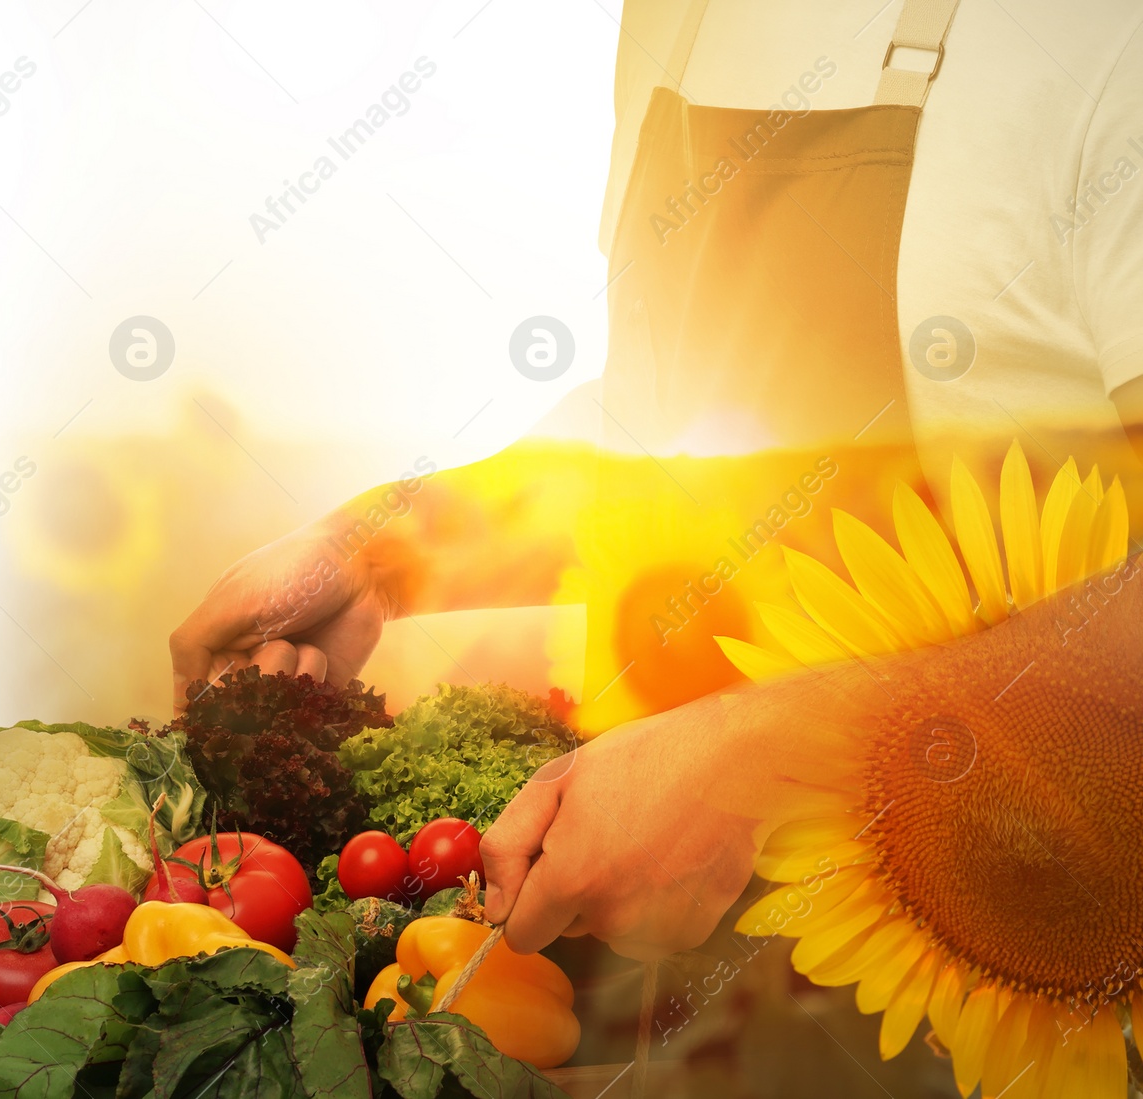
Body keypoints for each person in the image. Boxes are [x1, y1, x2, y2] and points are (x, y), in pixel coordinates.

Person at [170, 0, 1143, 963]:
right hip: (698, 1000)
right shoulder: (673, 21)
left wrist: (760, 758)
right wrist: (388, 549)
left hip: (1041, 963)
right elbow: (690, 425)